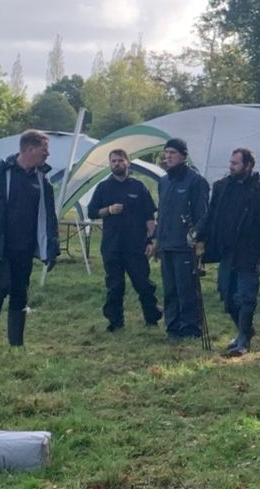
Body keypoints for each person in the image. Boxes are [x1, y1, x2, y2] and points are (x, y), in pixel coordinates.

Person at [0, 129, 60, 356]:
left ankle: (16, 344)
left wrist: (52, 248)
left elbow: (49, 217)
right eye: (44, 150)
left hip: (24, 247)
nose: (47, 155)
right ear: (29, 149)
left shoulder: (42, 181)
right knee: (1, 285)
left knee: (20, 291)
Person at [202, 145, 260, 357]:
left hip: (250, 252)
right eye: (231, 163)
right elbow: (211, 217)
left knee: (245, 298)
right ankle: (244, 331)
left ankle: (243, 341)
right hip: (227, 252)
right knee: (227, 298)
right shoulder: (222, 187)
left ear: (248, 165)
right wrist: (199, 237)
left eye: (235, 163)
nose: (231, 167)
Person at [86, 148, 160, 332]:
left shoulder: (138, 187)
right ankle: (115, 323)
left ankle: (152, 319)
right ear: (110, 165)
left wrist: (152, 239)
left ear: (128, 162)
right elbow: (92, 212)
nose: (116, 164)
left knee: (144, 285)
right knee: (115, 286)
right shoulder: (104, 187)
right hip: (112, 246)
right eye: (113, 161)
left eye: (120, 160)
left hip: (136, 245)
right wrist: (108, 210)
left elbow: (149, 215)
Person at [149, 137, 209, 342]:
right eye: (166, 153)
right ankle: (172, 327)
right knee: (170, 289)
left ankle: (191, 328)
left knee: (186, 289)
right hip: (166, 244)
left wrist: (195, 236)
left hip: (185, 246)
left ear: (183, 155)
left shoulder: (195, 181)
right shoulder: (164, 181)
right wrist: (156, 239)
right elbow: (163, 213)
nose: (168, 156)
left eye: (172, 153)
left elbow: (203, 214)